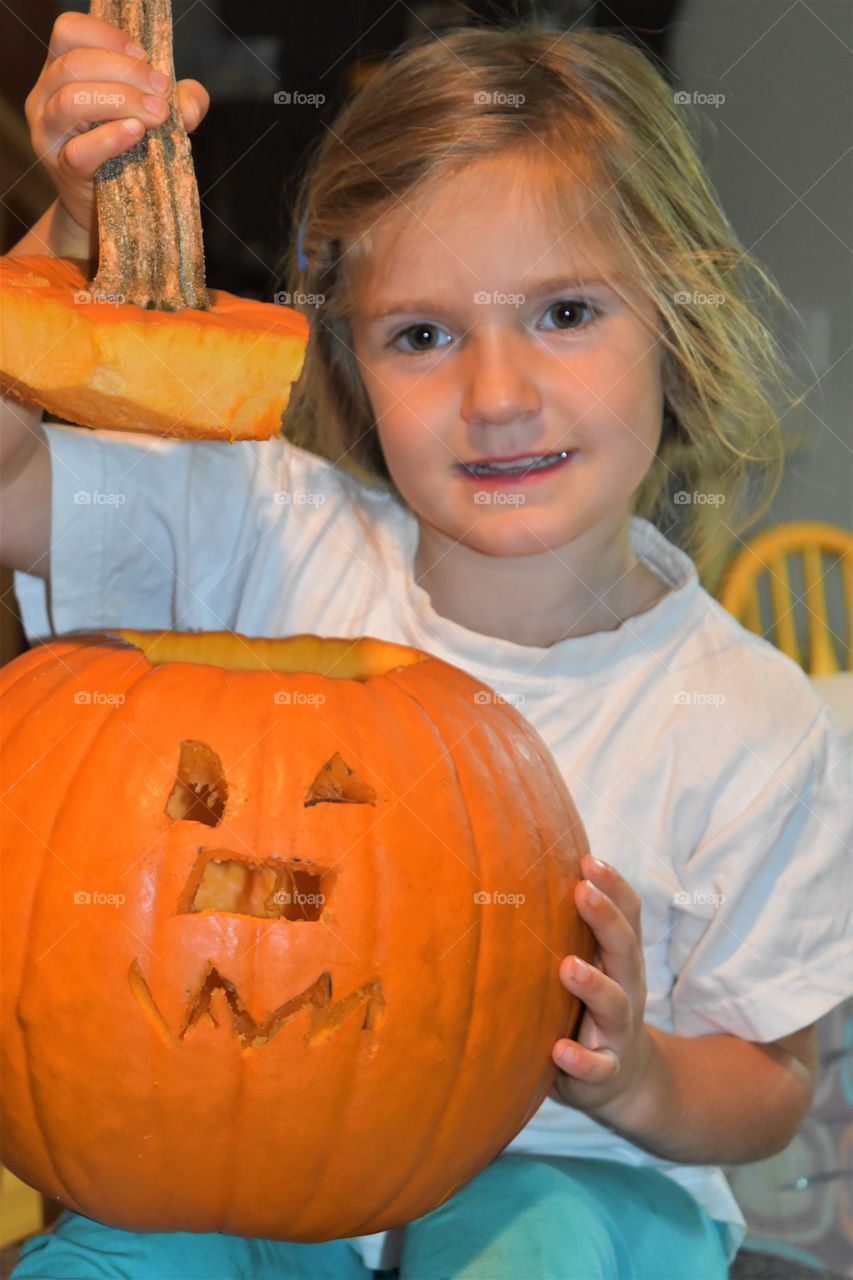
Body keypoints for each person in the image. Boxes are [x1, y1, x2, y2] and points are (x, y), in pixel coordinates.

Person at [1, 11, 850, 1280]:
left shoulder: (750, 718)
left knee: (530, 1244)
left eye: (564, 310)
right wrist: (72, 231)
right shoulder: (263, 529)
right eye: (422, 334)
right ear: (348, 363)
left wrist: (638, 1074)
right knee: (116, 1252)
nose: (496, 393)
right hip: (252, 1171)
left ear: (674, 329)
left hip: (585, 1184)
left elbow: (774, 1078)